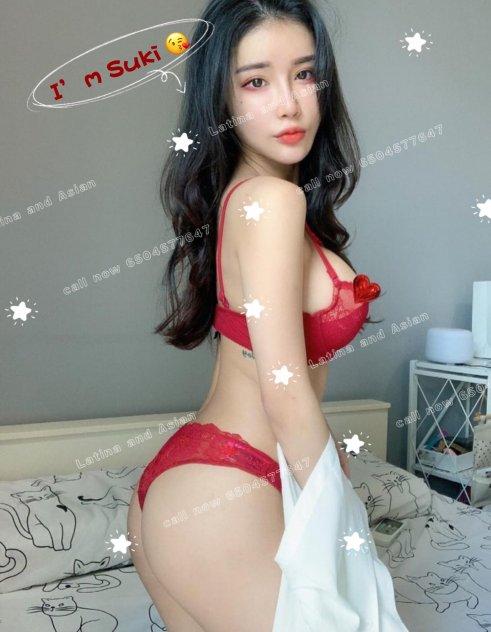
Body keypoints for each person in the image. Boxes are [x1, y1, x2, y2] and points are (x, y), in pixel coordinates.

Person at [127, 2, 396, 630]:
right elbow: (284, 390)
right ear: (219, 99)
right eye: (256, 81)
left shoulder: (243, 200)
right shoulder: (272, 201)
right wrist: (344, 525)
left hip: (199, 481)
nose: (289, 104)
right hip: (230, 487)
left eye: (305, 74)